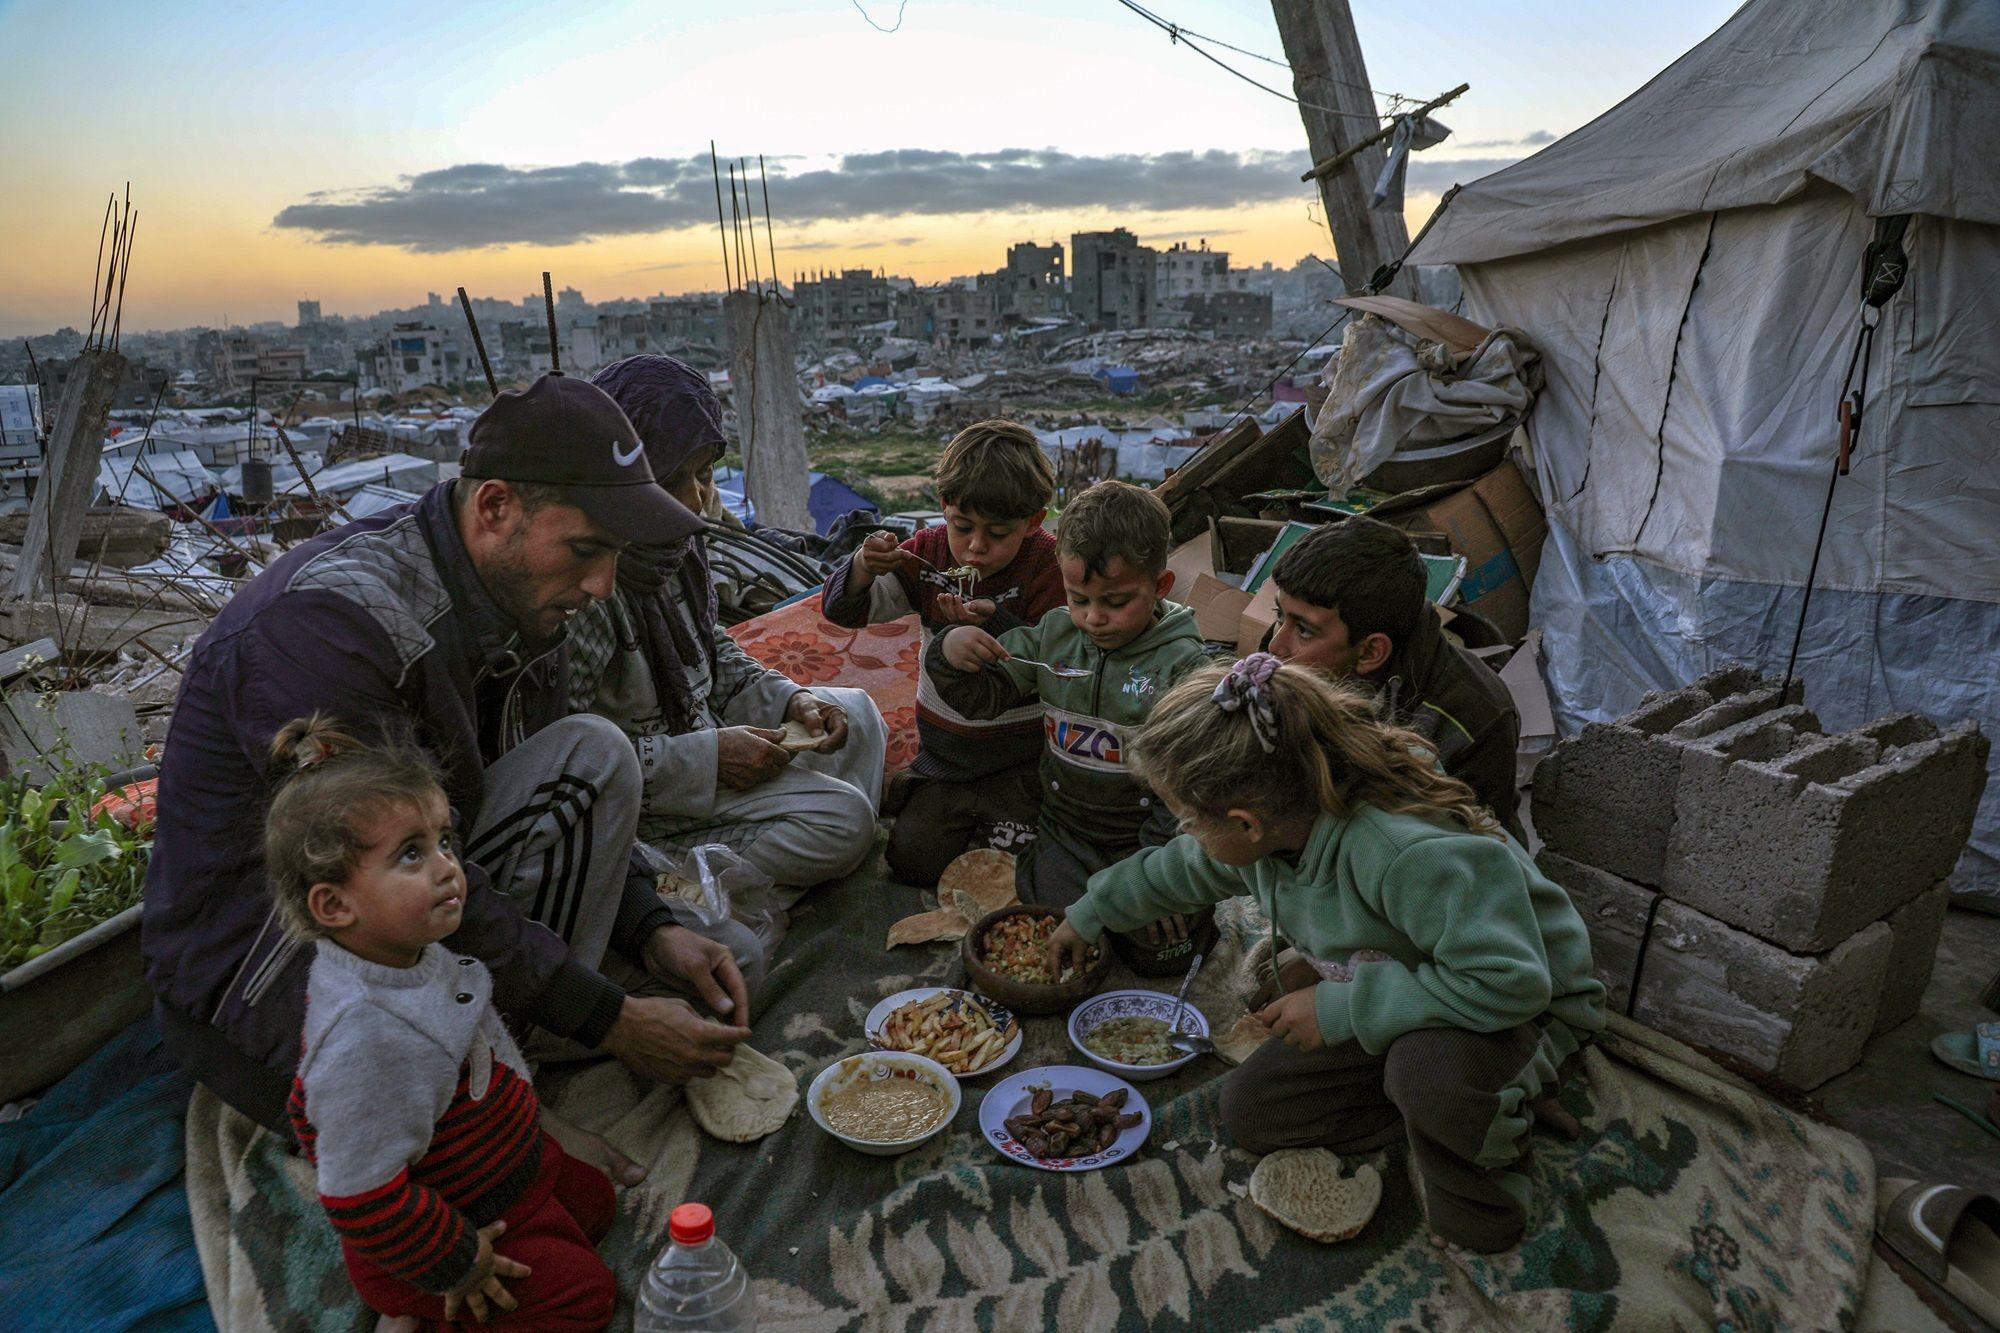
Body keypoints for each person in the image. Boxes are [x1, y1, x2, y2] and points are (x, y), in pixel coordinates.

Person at [145, 372, 755, 1149]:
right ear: (496, 507)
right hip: (275, 973)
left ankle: (526, 1034)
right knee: (495, 1173)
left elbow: (465, 830)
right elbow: (391, 874)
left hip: (425, 889)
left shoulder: (524, 595)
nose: (602, 585)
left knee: (726, 964)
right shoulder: (327, 630)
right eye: (585, 550)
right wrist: (612, 1019)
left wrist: (651, 925)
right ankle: (502, 1080)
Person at [1048, 655, 1606, 1253]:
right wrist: (1091, 914)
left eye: (1188, 819)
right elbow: (1181, 869)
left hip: (1519, 1002)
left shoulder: (1400, 853)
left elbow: (1511, 982)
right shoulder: (1282, 815)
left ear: (1245, 822)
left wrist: (1340, 1010)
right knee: (1254, 1114)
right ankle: (1460, 1107)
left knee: (1428, 1079)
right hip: (1408, 977)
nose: (1185, 833)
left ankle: (1500, 1104)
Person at [271, 716, 615, 1331]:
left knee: (597, 1205)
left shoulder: (406, 953)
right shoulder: (364, 1035)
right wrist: (458, 1264)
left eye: (444, 843)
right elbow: (361, 1195)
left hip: (506, 1175)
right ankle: (423, 1309)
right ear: (335, 904)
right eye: (411, 854)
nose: (447, 867)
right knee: (585, 1297)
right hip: (447, 1232)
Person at [575, 355, 885, 900]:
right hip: (649, 799)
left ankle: (774, 861)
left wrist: (791, 701)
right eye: (671, 480)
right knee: (846, 821)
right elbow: (582, 767)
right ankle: (667, 883)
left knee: (856, 714)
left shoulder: (678, 548)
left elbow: (709, 651)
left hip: (702, 735)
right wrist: (710, 759)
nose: (695, 500)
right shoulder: (587, 586)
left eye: (701, 476)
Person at [930, 480, 1211, 974]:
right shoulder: (1054, 636)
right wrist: (950, 649)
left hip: (1145, 842)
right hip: (1067, 835)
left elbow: (1191, 793)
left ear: (1161, 587)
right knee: (1053, 941)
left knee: (1161, 953)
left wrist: (1157, 880)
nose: (1094, 618)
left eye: (1116, 601)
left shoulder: (1183, 668)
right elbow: (982, 698)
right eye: (1078, 598)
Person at [820, 419, 1066, 886]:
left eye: (997, 532)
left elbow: (1051, 655)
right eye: (963, 526)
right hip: (948, 756)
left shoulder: (1047, 565)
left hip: (1022, 758)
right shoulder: (929, 553)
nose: (975, 547)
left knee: (1020, 865)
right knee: (913, 860)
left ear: (1033, 522)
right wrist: (862, 567)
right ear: (943, 508)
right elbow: (845, 612)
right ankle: (927, 788)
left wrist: (992, 623)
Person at [1267, 517, 1521, 827]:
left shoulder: (1474, 718)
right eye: (1279, 616)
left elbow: (1481, 851)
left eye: (1304, 630)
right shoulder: (1290, 648)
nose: (1274, 646)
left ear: (1371, 651)